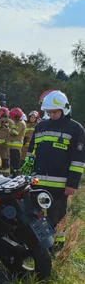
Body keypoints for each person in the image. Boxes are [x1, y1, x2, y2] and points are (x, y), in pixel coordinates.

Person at [23, 91, 85, 245]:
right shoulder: (41, 126)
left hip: (60, 184)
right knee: (36, 214)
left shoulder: (75, 129)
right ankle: (42, 244)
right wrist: (27, 168)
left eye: (54, 112)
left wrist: (72, 183)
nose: (51, 115)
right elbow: (32, 150)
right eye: (48, 112)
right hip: (37, 181)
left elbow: (78, 159)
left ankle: (57, 245)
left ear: (64, 109)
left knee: (56, 215)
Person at [7, 107, 26, 176]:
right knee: (12, 162)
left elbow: (14, 133)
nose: (12, 118)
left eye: (12, 116)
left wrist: (8, 129)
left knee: (16, 163)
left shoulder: (20, 123)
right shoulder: (17, 123)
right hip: (12, 147)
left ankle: (16, 175)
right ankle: (13, 174)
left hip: (16, 147)